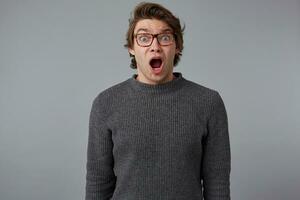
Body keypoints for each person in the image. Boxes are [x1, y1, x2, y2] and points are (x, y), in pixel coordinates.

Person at [85, 2, 231, 200]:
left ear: (177, 47)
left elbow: (218, 185)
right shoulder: (105, 103)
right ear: (131, 48)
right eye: (144, 38)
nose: (155, 47)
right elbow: (98, 184)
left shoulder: (208, 103)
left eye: (164, 37)